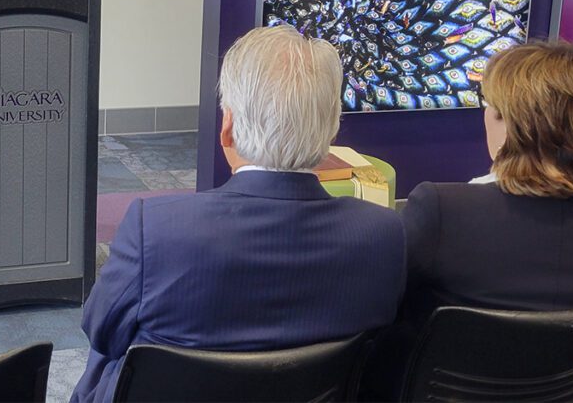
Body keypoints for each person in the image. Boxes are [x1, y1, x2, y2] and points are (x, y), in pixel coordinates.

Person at [70, 25, 406, 403]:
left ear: (226, 128)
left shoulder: (156, 229)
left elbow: (101, 330)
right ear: (331, 132)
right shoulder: (385, 234)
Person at [402, 40, 573, 322]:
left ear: (510, 125)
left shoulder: (441, 212)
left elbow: (385, 309)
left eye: (492, 106)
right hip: (568, 367)